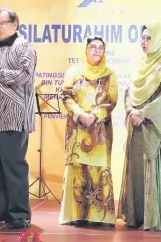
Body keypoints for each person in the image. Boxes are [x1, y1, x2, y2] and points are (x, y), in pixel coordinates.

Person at [117, 23, 161, 231]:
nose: (144, 42)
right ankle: (137, 216)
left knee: (153, 170)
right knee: (138, 169)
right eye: (143, 38)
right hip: (137, 128)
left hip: (155, 129)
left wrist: (143, 113)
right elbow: (129, 92)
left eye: (149, 38)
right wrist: (130, 111)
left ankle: (154, 217)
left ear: (160, 40)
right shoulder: (142, 66)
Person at [0, 8, 37, 229]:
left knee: (13, 166)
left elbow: (24, 76)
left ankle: (20, 213)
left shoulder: (24, 48)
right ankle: (4, 209)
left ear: (15, 24)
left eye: (2, 23)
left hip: (13, 116)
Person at [59, 36, 118, 227]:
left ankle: (98, 216)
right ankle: (76, 214)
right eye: (92, 47)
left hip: (99, 132)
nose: (96, 50)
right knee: (77, 169)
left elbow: (111, 100)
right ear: (85, 50)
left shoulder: (109, 74)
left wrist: (94, 114)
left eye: (101, 47)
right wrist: (78, 113)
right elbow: (66, 95)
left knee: (99, 171)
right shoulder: (74, 72)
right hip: (77, 130)